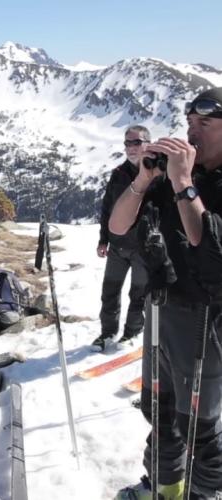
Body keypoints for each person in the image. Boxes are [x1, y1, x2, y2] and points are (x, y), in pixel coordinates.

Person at [110, 88, 222, 499]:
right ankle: (164, 487)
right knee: (159, 412)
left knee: (201, 425)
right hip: (164, 309)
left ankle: (203, 494)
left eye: (205, 124)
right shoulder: (171, 176)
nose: (192, 132)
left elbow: (207, 247)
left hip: (206, 319)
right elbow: (118, 227)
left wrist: (183, 184)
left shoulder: (192, 179)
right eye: (190, 123)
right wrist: (143, 180)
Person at [91, 126, 150, 352]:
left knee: (138, 294)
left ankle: (132, 333)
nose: (131, 148)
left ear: (147, 143)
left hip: (143, 249)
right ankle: (107, 333)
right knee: (110, 292)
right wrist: (103, 239)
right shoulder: (118, 173)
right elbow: (107, 208)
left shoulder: (156, 174)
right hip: (117, 246)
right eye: (127, 143)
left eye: (136, 142)